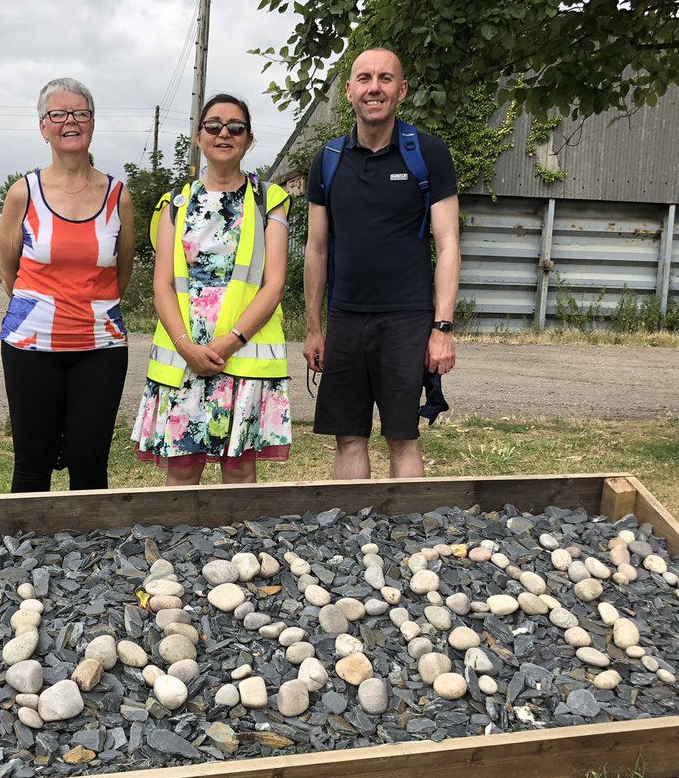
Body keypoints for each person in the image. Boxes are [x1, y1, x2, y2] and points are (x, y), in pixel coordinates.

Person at [303, 48, 460, 479]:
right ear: (350, 91)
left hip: (407, 318)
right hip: (346, 317)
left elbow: (448, 245)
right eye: (365, 78)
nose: (375, 87)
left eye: (386, 79)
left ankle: (408, 539)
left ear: (402, 90)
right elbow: (316, 249)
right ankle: (350, 540)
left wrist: (441, 328)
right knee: (348, 435)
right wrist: (315, 328)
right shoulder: (328, 160)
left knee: (401, 436)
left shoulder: (427, 154)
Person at [132, 94, 292, 485]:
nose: (224, 133)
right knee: (182, 465)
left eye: (235, 127)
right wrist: (186, 346)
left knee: (239, 468)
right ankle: (179, 547)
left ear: (249, 140)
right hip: (185, 354)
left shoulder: (270, 200)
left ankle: (239, 548)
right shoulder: (175, 202)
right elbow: (163, 285)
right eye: (214, 125)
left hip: (244, 351)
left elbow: (274, 285)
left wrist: (231, 341)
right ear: (199, 137)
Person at [0, 77, 134, 492]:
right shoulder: (23, 193)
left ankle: (90, 552)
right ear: (43, 127)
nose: (69, 122)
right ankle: (27, 552)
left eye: (80, 113)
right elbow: (9, 271)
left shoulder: (118, 196)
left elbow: (120, 274)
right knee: (33, 460)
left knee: (89, 460)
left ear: (93, 123)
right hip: (30, 345)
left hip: (100, 346)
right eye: (58, 114)